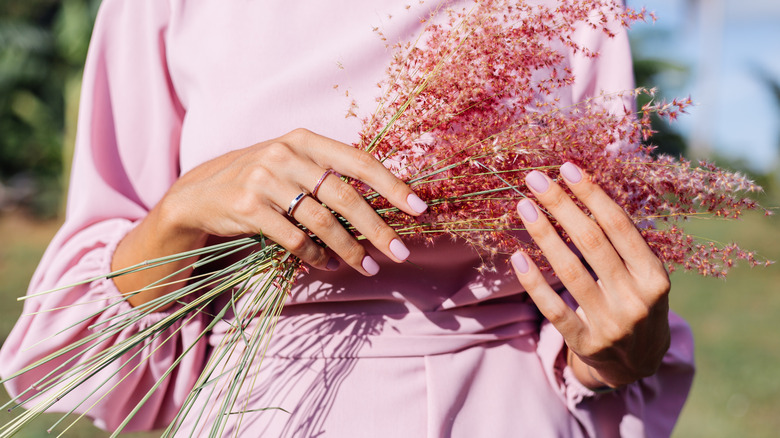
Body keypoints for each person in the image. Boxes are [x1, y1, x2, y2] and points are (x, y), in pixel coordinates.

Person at [0, 0, 694, 436]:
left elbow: (602, 298)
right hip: (262, 411)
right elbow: (97, 310)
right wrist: (183, 211)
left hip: (506, 411)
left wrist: (613, 350)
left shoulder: (574, 8)